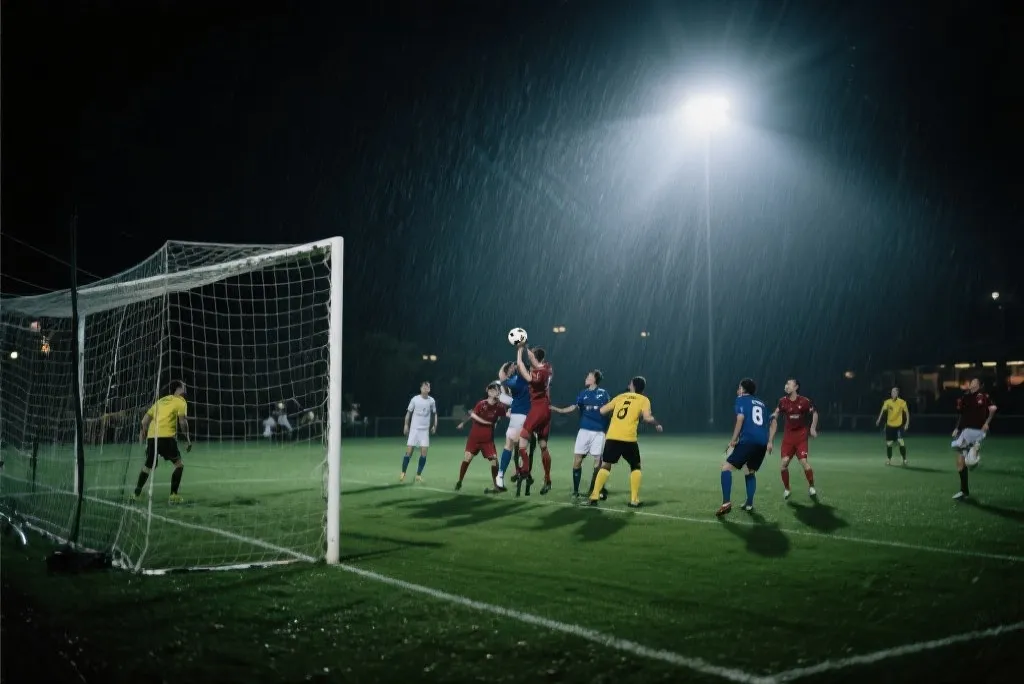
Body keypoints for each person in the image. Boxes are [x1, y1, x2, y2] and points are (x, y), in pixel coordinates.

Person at [588, 376, 662, 508]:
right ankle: (634, 500)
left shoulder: (620, 397)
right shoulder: (644, 399)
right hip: (628, 438)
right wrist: (656, 424)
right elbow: (647, 418)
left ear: (632, 385)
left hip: (613, 436)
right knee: (635, 466)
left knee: (605, 465)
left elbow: (602, 410)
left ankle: (594, 495)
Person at [552, 369, 611, 499]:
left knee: (598, 461)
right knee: (577, 460)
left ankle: (594, 489)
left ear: (594, 379)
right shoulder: (583, 393)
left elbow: (609, 409)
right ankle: (575, 490)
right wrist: (559, 410)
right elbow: (574, 407)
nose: (586, 378)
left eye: (589, 376)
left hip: (598, 433)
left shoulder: (604, 394)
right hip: (584, 432)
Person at [716, 379, 770, 516]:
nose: (737, 390)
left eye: (739, 387)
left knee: (726, 468)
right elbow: (768, 422)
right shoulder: (762, 403)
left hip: (749, 440)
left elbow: (740, 418)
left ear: (743, 389)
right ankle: (749, 503)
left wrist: (733, 440)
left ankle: (726, 502)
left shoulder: (741, 399)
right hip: (762, 441)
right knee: (749, 471)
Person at [132, 380, 191, 504]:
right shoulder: (180, 401)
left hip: (152, 437)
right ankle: (173, 495)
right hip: (166, 437)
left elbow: (144, 421)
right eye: (184, 387)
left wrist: (144, 432)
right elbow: (182, 422)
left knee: (148, 466)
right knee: (179, 465)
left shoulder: (160, 401)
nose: (185, 390)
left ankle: (136, 494)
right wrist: (187, 439)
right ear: (178, 389)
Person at [768, 378, 818, 499]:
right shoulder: (782, 401)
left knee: (803, 462)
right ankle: (787, 489)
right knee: (784, 464)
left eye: (789, 384)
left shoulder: (804, 401)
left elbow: (815, 413)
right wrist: (775, 415)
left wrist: (812, 428)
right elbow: (777, 412)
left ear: (796, 387)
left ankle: (811, 486)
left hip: (801, 436)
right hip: (788, 438)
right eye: (786, 384)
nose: (786, 386)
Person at [513, 344, 553, 491]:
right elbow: (534, 357)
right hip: (546, 409)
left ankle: (525, 469)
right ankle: (547, 480)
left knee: (522, 438)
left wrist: (519, 353)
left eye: (531, 355)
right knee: (543, 445)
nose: (529, 356)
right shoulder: (547, 367)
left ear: (535, 358)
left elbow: (521, 367)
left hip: (538, 408)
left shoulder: (539, 374)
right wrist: (525, 345)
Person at [950, 378, 997, 500]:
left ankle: (974, 451)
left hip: (976, 431)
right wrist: (957, 428)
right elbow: (961, 414)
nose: (973, 384)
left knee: (967, 460)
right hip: (964, 431)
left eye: (976, 382)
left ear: (980, 385)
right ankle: (964, 491)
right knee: (960, 463)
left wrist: (987, 422)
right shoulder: (965, 397)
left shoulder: (984, 396)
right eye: (972, 382)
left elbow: (993, 408)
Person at [455, 382, 507, 490]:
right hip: (475, 437)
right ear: (488, 392)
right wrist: (463, 423)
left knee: (494, 460)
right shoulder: (481, 404)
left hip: (488, 439)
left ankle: (496, 485)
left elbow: (502, 416)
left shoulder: (500, 406)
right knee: (467, 458)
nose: (494, 392)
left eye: (496, 390)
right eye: (492, 390)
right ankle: (459, 481)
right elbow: (472, 414)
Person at [493, 362, 531, 492]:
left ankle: (500, 474)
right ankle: (522, 473)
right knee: (522, 449)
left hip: (516, 417)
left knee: (509, 446)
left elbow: (501, 376)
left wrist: (505, 365)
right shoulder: (531, 380)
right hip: (525, 417)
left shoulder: (515, 381)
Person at [401, 381, 437, 483]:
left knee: (424, 454)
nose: (426, 388)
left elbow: (435, 414)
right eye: (424, 386)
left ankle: (418, 475)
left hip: (424, 431)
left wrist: (434, 425)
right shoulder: (415, 399)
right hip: (414, 430)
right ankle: (403, 472)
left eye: (428, 386)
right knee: (409, 452)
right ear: (421, 388)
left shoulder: (431, 401)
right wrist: (406, 425)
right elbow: (408, 413)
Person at [876, 387, 909, 466]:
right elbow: (882, 411)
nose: (893, 393)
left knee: (901, 442)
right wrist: (878, 419)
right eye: (892, 392)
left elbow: (907, 413)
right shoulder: (887, 402)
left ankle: (904, 459)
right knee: (889, 444)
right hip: (890, 426)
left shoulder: (902, 402)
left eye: (894, 392)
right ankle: (889, 460)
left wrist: (907, 423)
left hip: (899, 426)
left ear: (897, 393)